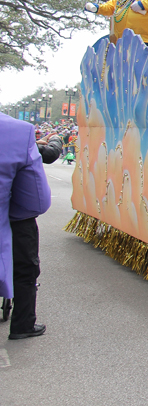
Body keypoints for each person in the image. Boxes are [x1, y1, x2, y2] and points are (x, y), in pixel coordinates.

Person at [1, 113, 53, 340]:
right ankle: (23, 323)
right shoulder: (19, 131)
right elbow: (36, 200)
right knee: (24, 267)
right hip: (13, 219)